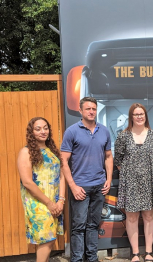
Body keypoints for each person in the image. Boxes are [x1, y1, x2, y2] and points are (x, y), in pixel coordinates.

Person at [60, 97, 113, 262]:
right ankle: (76, 259)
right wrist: (73, 187)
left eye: (94, 109)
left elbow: (108, 157)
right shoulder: (72, 131)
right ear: (80, 110)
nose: (91, 111)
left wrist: (108, 179)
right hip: (80, 187)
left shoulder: (104, 130)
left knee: (93, 225)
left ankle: (92, 258)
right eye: (88, 109)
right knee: (79, 226)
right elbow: (64, 161)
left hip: (99, 186)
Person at [114, 103, 153, 262]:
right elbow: (118, 161)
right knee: (132, 217)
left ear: (145, 116)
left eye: (142, 114)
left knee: (149, 216)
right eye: (136, 114)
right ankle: (135, 253)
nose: (139, 116)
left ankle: (148, 252)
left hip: (149, 182)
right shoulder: (123, 136)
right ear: (131, 117)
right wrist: (131, 174)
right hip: (130, 183)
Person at [18, 117, 64, 262]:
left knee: (49, 238)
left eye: (45, 128)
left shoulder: (52, 151)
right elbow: (27, 182)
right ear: (31, 132)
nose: (43, 131)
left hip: (55, 202)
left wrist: (61, 200)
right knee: (46, 238)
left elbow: (61, 176)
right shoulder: (26, 152)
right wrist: (49, 203)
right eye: (38, 129)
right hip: (38, 202)